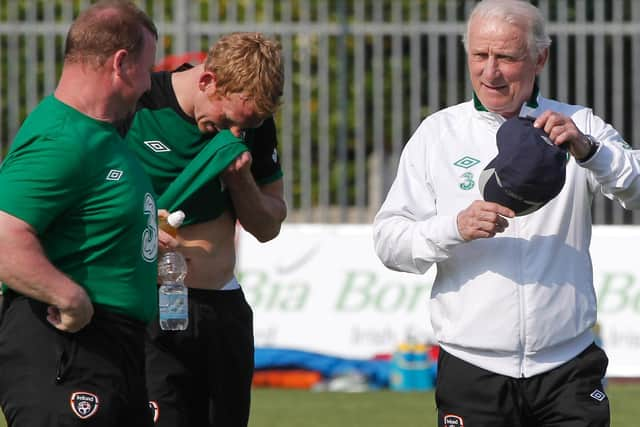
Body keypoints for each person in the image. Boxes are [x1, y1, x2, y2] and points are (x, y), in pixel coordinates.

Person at [373, 1, 640, 426]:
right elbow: (389, 242)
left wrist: (590, 152)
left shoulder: (578, 123)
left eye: (507, 57)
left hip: (567, 367)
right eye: (480, 55)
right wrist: (453, 228)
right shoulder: (438, 134)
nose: (490, 72)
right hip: (472, 370)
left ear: (540, 57)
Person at [0, 1, 158, 426]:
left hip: (115, 349)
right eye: (147, 68)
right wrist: (66, 295)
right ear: (121, 63)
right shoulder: (62, 139)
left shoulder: (102, 134)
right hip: (67, 350)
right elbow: (4, 235)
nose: (148, 85)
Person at [119, 32, 285, 427]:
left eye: (243, 125)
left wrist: (240, 179)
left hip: (221, 309)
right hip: (147, 307)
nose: (230, 131)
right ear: (208, 81)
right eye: (226, 118)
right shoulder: (139, 105)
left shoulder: (253, 123)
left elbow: (268, 227)